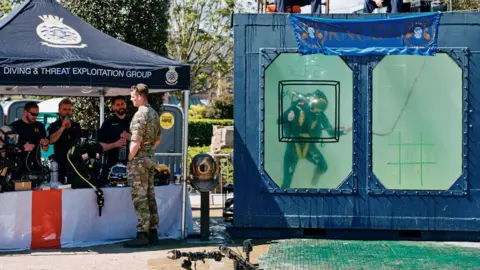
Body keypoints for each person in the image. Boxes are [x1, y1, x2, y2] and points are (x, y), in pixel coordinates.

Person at [124, 83, 161, 248]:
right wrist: (148, 151)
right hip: (150, 158)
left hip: (138, 161)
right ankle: (153, 232)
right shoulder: (154, 113)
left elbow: (136, 141)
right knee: (150, 194)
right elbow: (158, 140)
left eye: (133, 96)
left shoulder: (140, 115)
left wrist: (130, 157)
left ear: (139, 95)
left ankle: (142, 234)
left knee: (140, 197)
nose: (131, 99)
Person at [10, 102, 49, 180]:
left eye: (37, 114)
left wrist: (45, 144)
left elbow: (45, 150)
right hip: (18, 168)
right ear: (25, 112)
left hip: (36, 167)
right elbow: (8, 148)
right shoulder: (14, 126)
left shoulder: (40, 126)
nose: (35, 117)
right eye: (33, 114)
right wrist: (22, 147)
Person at [47, 98, 82, 184]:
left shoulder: (76, 126)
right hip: (59, 163)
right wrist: (62, 127)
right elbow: (50, 140)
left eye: (69, 109)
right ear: (59, 110)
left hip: (74, 163)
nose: (67, 112)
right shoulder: (53, 126)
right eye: (65, 109)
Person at [98, 96, 131, 186]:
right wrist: (114, 145)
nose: (120, 106)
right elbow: (100, 145)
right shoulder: (108, 123)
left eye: (122, 104)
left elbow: (140, 141)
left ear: (126, 105)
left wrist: (131, 138)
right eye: (118, 104)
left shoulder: (131, 121)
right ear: (113, 107)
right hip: (110, 166)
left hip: (129, 166)